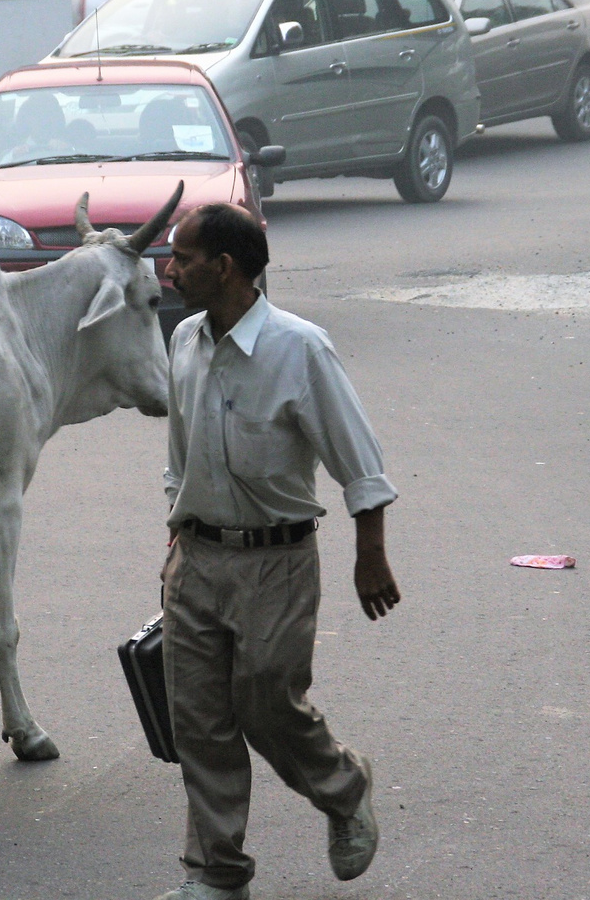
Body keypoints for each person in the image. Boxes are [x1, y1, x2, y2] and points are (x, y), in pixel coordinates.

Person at [154, 203, 402, 900]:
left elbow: (361, 465)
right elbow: (179, 456)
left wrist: (370, 556)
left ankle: (344, 787)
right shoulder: (183, 344)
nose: (170, 272)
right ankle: (217, 874)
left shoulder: (301, 349)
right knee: (197, 722)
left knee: (266, 703)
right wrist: (175, 539)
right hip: (197, 558)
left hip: (277, 562)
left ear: (225, 268)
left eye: (183, 258)